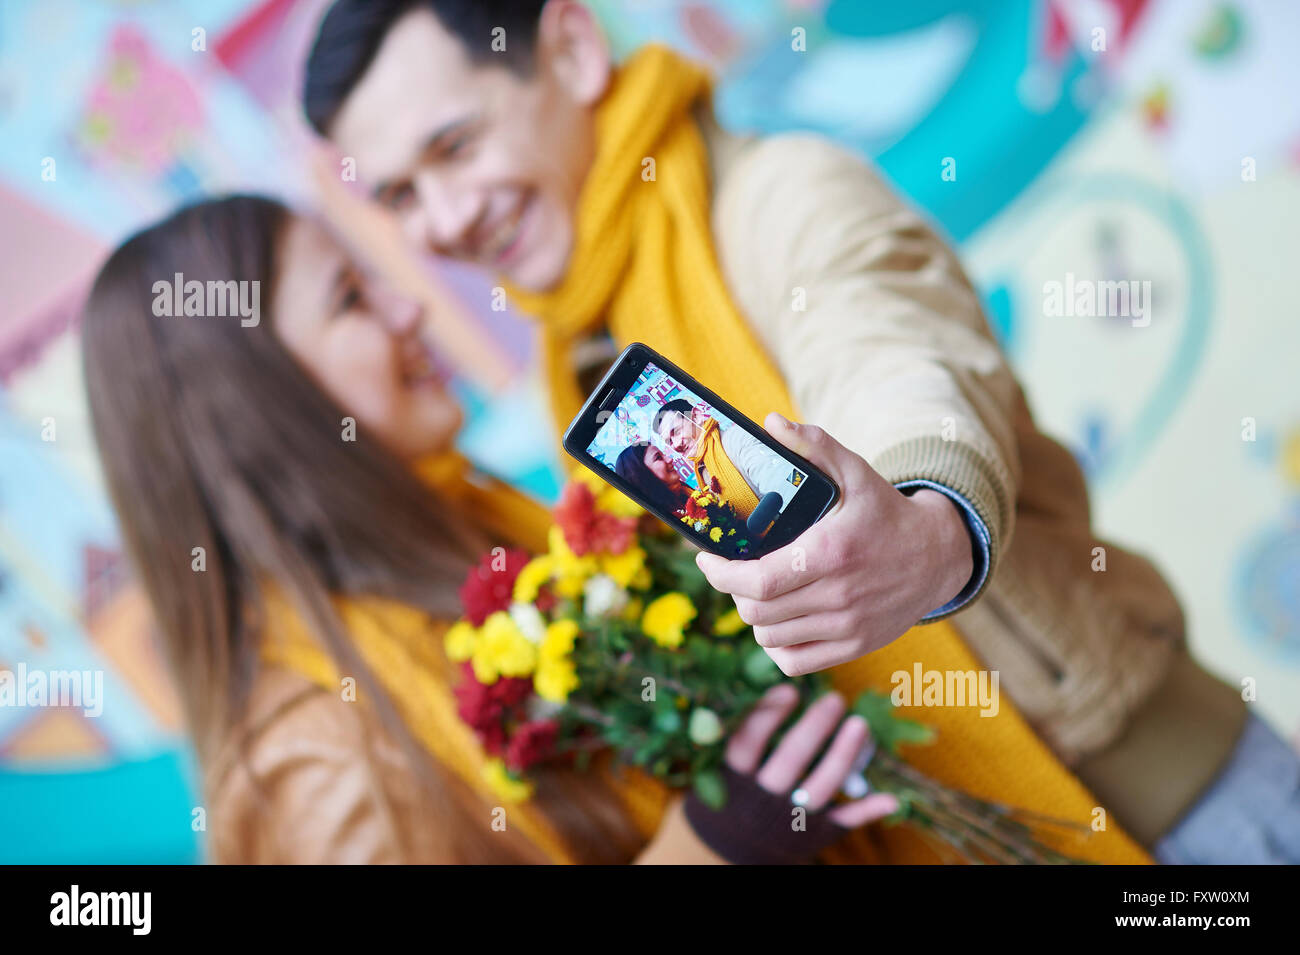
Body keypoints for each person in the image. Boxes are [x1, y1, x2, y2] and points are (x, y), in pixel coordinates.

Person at [297, 0, 1300, 863]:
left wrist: (922, 522)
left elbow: (892, 354)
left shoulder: (779, 197)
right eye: (398, 195)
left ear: (569, 49)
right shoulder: (578, 360)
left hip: (1181, 812)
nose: (444, 219)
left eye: (455, 148)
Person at [80, 195, 904, 864]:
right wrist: (717, 843)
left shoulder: (475, 524)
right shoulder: (313, 769)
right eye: (351, 299)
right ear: (255, 409)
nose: (410, 307)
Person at [653, 398, 802, 519]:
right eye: (669, 442)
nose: (677, 444)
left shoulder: (737, 440)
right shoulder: (701, 469)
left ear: (697, 416)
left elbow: (787, 490)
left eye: (677, 431)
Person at [613, 441, 689, 517]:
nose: (670, 459)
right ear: (642, 476)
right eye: (658, 457)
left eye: (663, 454)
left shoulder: (685, 494)